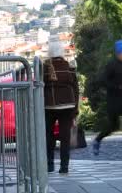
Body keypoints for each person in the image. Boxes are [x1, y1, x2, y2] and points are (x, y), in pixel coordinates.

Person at [43, 41, 79, 174]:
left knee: (49, 136)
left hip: (49, 106)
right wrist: (75, 109)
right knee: (65, 138)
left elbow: (39, 86)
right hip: (68, 105)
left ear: (50, 53)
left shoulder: (45, 67)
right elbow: (76, 89)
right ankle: (64, 167)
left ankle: (49, 164)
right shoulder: (69, 67)